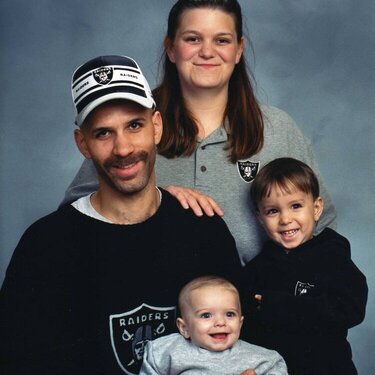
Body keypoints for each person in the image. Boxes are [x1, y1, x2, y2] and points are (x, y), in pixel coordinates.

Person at [0, 55, 245, 375]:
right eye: (103, 133)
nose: (123, 148)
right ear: (83, 144)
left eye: (134, 125)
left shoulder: (204, 229)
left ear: (156, 126)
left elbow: (246, 347)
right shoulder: (45, 245)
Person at [61, 0, 336, 266]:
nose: (207, 52)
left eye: (222, 40)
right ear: (171, 48)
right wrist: (151, 197)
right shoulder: (133, 125)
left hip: (253, 309)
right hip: (152, 308)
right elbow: (74, 218)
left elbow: (322, 229)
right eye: (193, 39)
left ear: (239, 50)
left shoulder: (278, 129)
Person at [244, 157, 368, 375]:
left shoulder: (332, 257)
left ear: (317, 208)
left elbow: (351, 309)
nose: (285, 219)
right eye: (273, 211)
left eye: (296, 206)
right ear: (260, 218)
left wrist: (277, 306)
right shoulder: (257, 270)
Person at [139, 276, 288, 375]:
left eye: (229, 314)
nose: (220, 322)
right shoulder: (167, 351)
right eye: (206, 315)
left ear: (240, 323)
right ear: (184, 328)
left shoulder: (262, 358)